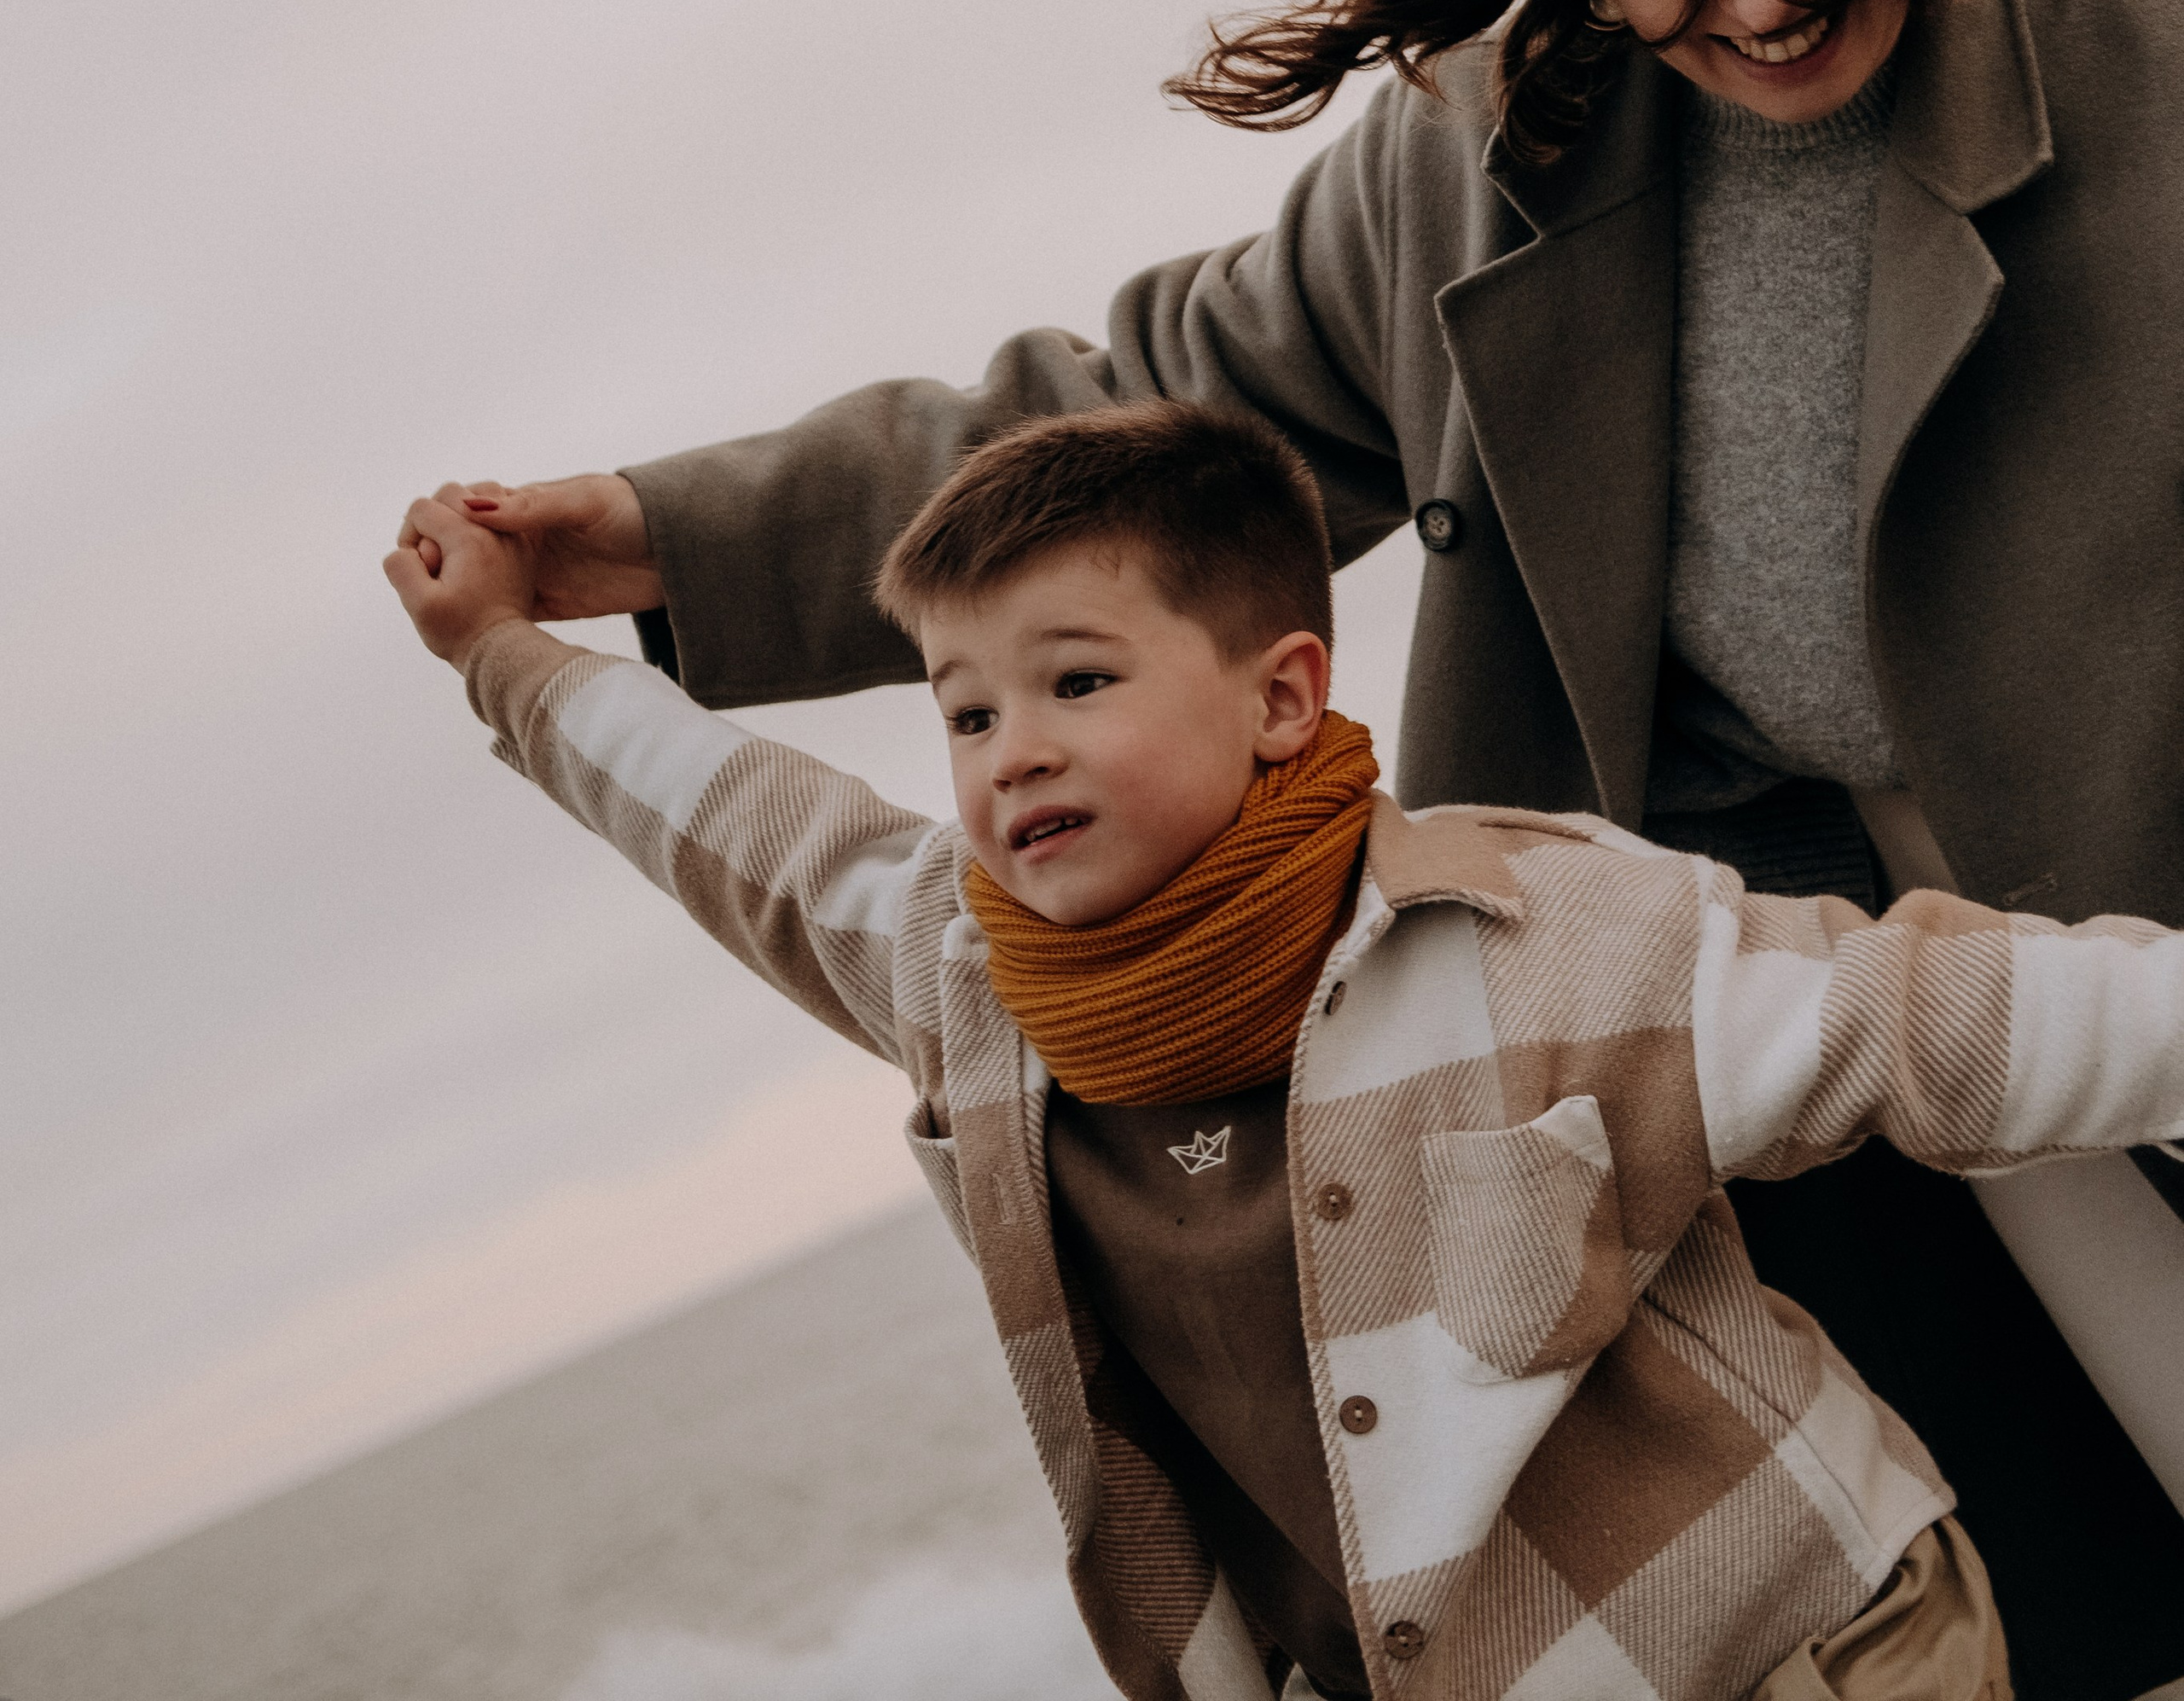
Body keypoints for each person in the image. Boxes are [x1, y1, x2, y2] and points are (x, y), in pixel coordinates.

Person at [412, 0, 2184, 1698]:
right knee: (2016, 1596)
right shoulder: (1476, 161)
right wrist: (671, 538)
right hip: (1747, 1013)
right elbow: (1126, 423)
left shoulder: (2147, 63)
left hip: (2113, 930)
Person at [393, 397, 2184, 1695]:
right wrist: (504, 658)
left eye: (1077, 681)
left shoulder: (1534, 930)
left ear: (1279, 697)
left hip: (1803, 1654)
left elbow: (1929, 1019)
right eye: (968, 711)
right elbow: (742, 824)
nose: (1014, 749)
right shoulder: (962, 972)